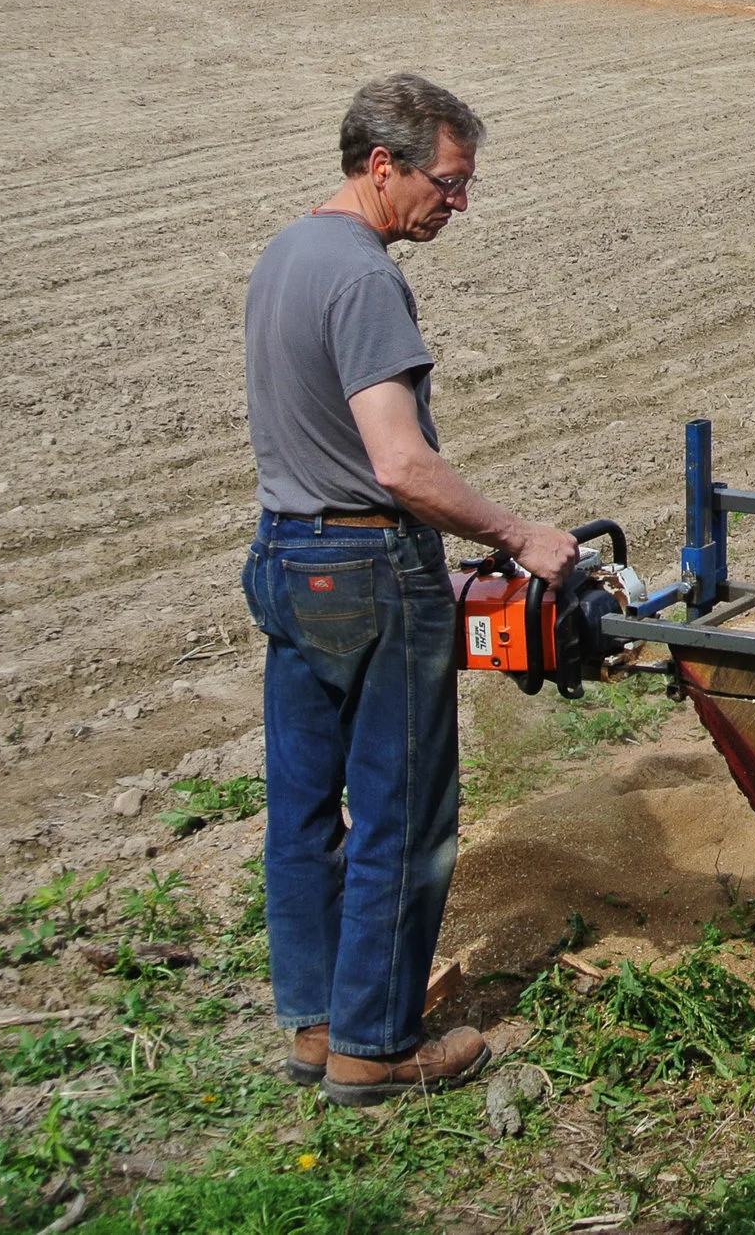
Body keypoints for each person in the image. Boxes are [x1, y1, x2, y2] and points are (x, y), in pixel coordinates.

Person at [242, 73, 578, 1107]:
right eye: (449, 180)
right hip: (371, 569)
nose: (458, 202)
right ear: (382, 166)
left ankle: (315, 1028)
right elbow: (399, 464)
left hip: (286, 554)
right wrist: (520, 536)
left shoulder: (283, 255)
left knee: (302, 809)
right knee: (401, 812)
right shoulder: (364, 278)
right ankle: (378, 1050)